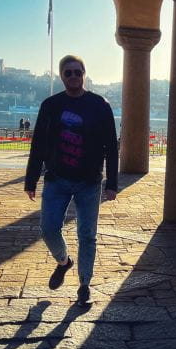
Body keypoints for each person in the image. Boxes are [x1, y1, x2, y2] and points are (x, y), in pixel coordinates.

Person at [25, 54, 118, 305]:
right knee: (49, 229)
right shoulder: (50, 105)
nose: (74, 76)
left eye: (78, 72)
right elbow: (38, 144)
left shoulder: (100, 105)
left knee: (87, 235)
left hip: (89, 182)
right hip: (57, 179)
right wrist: (31, 180)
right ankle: (64, 261)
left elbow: (111, 146)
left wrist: (112, 183)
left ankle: (84, 284)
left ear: (84, 74)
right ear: (62, 76)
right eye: (69, 72)